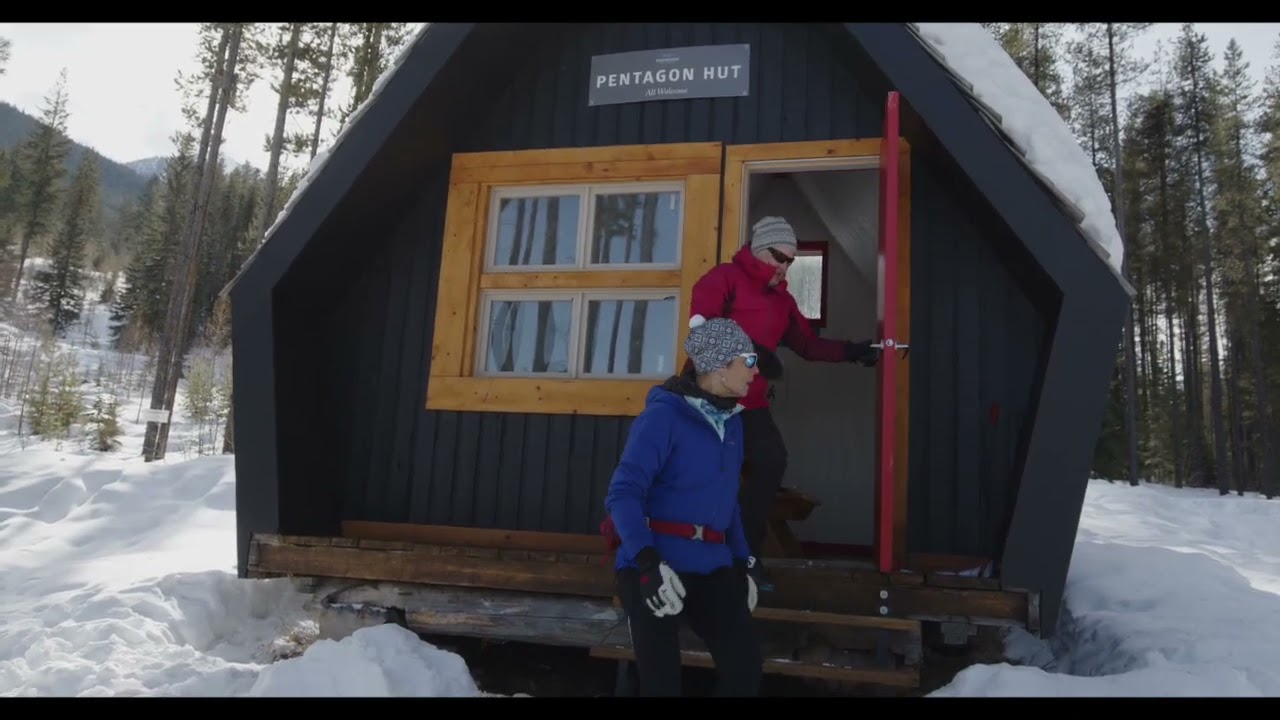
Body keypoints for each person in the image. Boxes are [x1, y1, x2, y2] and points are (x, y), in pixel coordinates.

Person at [687, 215, 880, 586]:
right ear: (759, 252)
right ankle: (685, 559)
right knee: (698, 472)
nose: (785, 266)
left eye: (791, 260)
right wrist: (751, 349)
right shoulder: (723, 279)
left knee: (771, 462)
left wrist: (853, 351)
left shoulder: (783, 301)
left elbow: (808, 344)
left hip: (750, 401)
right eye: (779, 257)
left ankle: (744, 557)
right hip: (707, 397)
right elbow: (701, 329)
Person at [600, 316, 766, 697]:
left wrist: (743, 562)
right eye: (750, 360)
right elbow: (623, 493)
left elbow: (729, 503)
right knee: (662, 683)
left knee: (745, 668)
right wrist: (646, 563)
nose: (755, 372)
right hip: (655, 562)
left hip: (713, 564)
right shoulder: (663, 417)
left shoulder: (733, 424)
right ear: (721, 367)